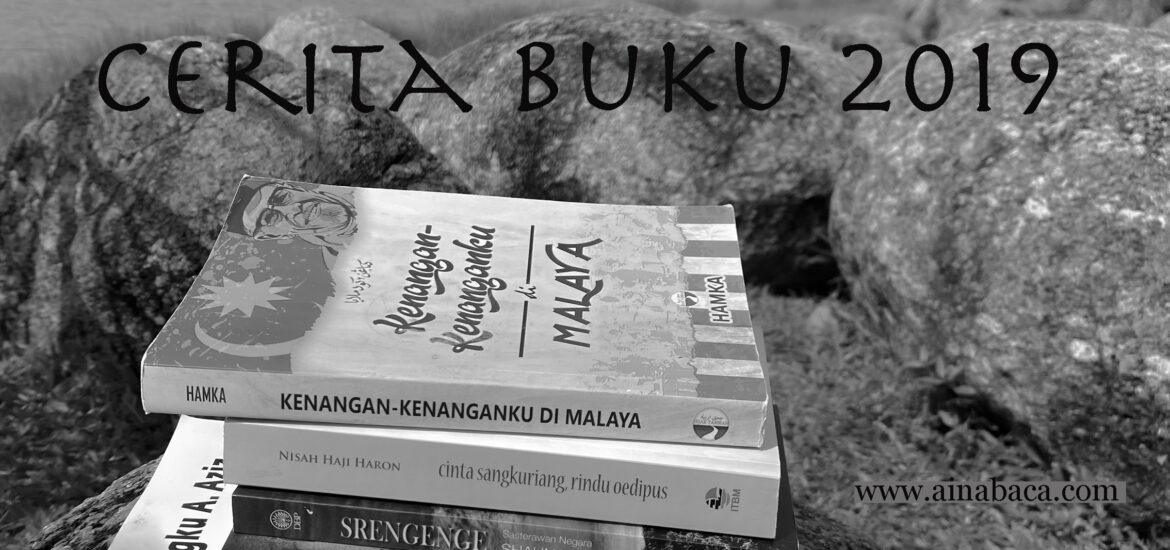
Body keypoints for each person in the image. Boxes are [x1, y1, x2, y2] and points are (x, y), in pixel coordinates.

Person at [225, 178, 358, 263]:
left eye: (282, 197)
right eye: (271, 217)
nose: (296, 207)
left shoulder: (359, 195)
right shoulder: (339, 269)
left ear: (294, 187)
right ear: (270, 236)